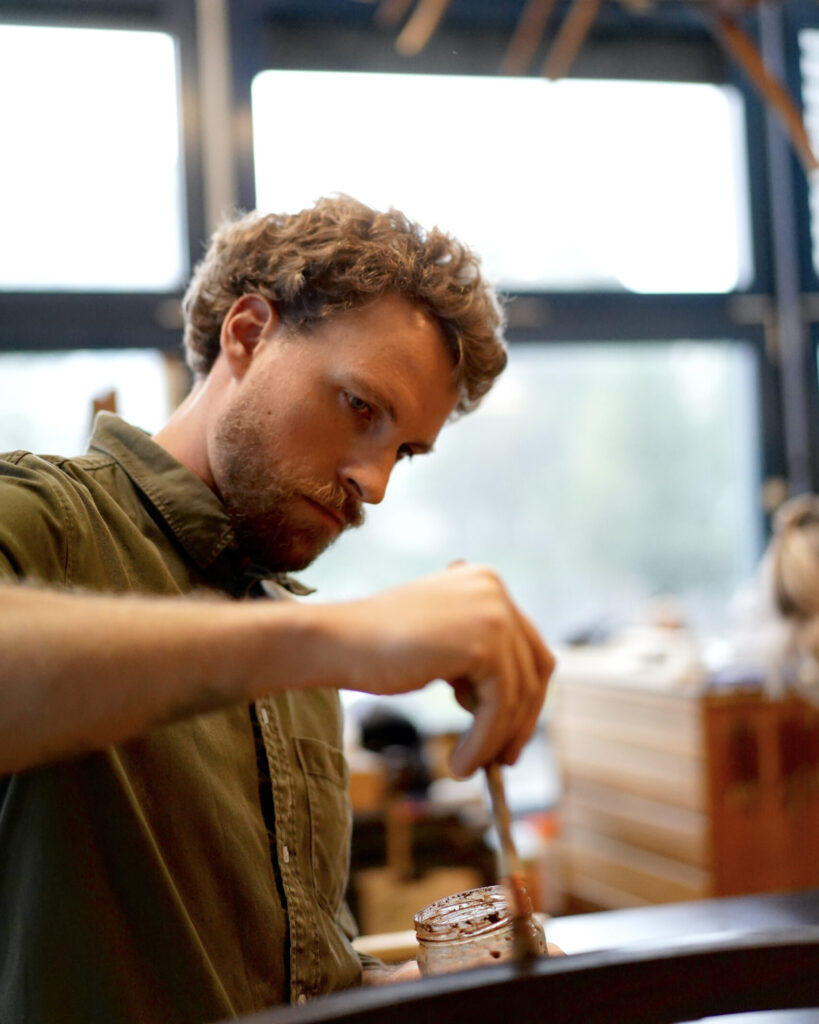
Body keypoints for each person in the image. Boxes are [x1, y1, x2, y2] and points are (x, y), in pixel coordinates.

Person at [0, 196, 554, 1023]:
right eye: (360, 406)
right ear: (248, 334)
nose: (374, 483)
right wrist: (341, 638)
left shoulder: (288, 643)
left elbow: (290, 976)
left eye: (402, 449)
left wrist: (389, 995)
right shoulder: (46, 522)